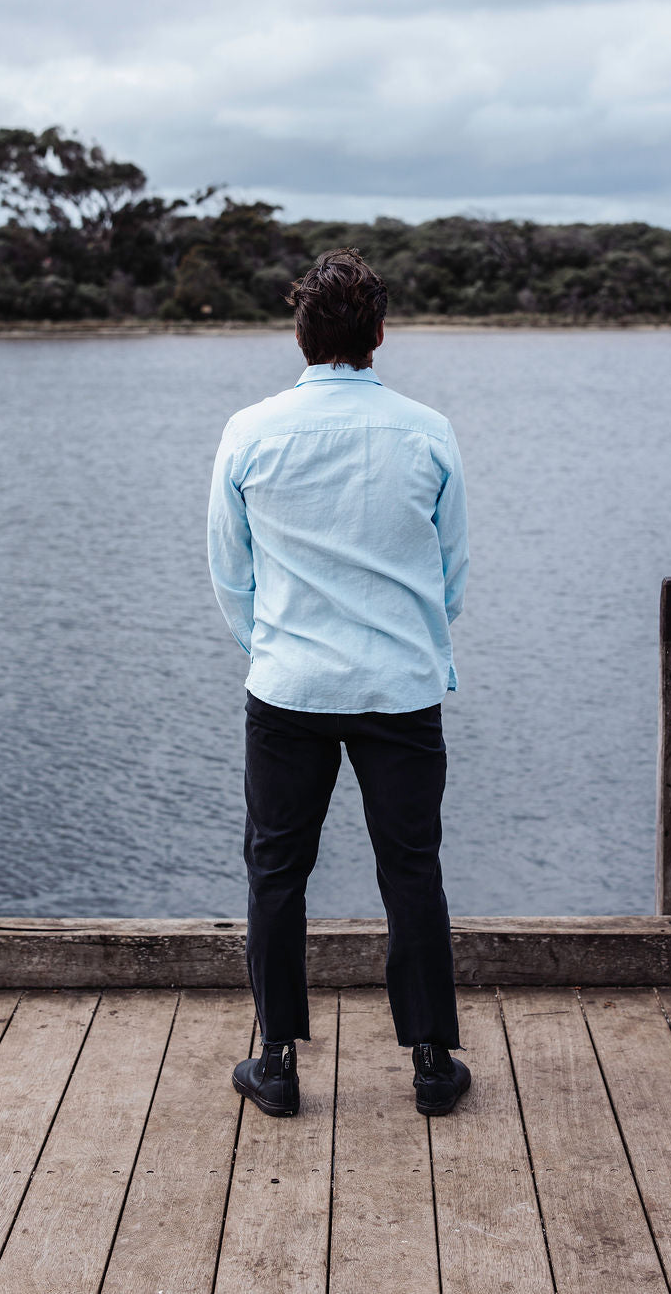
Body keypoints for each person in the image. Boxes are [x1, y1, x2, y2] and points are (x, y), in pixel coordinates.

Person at [207, 246, 470, 1119]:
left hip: (288, 688)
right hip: (401, 687)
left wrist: (270, 648)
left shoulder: (249, 430)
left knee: (276, 869)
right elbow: (451, 571)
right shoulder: (428, 429)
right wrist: (415, 644)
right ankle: (433, 1062)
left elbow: (229, 571)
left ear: (300, 335)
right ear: (380, 336)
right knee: (412, 868)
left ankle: (276, 1060)